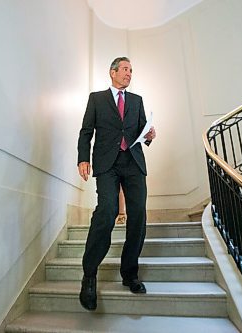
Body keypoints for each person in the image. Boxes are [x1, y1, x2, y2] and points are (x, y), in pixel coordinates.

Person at [77, 56, 156, 311]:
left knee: (138, 216)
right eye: (124, 69)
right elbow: (86, 131)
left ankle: (129, 274)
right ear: (112, 72)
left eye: (131, 70)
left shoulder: (137, 101)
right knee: (107, 211)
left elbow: (143, 130)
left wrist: (150, 134)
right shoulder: (96, 99)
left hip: (133, 162)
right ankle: (89, 274)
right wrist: (82, 159)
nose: (129, 74)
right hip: (107, 163)